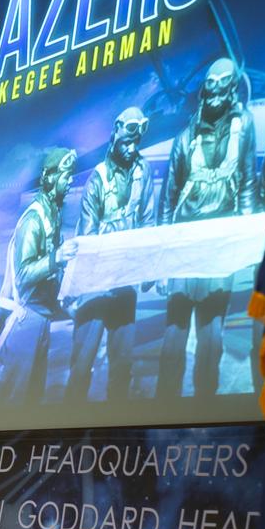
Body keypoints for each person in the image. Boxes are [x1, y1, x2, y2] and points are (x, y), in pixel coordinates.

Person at [157, 57, 257, 398]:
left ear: (231, 90)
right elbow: (169, 198)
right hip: (184, 241)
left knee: (212, 332)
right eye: (210, 85)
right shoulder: (184, 139)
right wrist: (160, 261)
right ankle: (164, 408)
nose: (215, 94)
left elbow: (246, 184)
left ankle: (204, 408)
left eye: (222, 86)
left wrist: (243, 243)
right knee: (175, 330)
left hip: (220, 243)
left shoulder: (244, 129)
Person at [65, 107, 156, 402]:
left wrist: (147, 270)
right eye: (126, 142)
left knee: (122, 365)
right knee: (82, 363)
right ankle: (68, 434)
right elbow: (88, 236)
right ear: (116, 132)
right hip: (96, 285)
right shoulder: (98, 179)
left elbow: (148, 223)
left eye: (135, 143)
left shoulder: (144, 172)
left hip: (124, 283)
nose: (131, 149)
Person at [0, 148, 78, 403]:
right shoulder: (34, 219)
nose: (71, 181)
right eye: (66, 175)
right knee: (19, 400)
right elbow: (23, 274)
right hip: (27, 320)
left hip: (41, 317)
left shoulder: (53, 214)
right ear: (51, 178)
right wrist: (57, 258)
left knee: (33, 397)